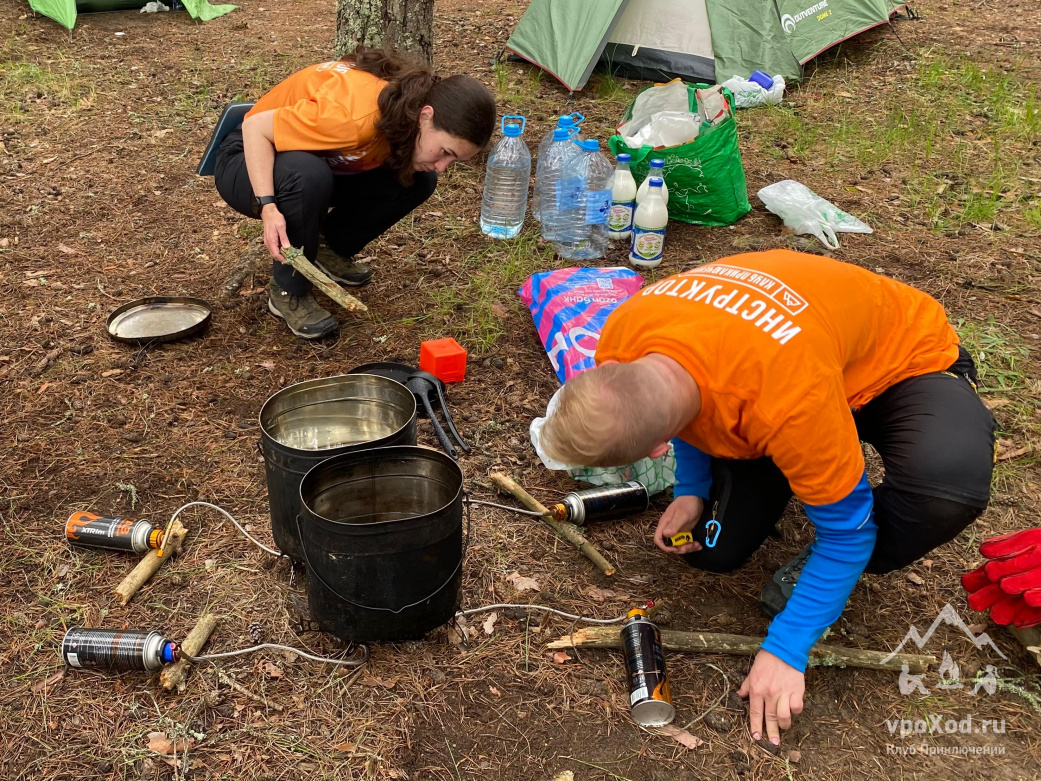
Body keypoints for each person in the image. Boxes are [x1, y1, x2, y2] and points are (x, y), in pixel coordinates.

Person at [540, 250, 995, 746]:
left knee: (944, 490)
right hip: (784, 366)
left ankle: (816, 572)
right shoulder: (624, 336)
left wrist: (786, 648)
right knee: (714, 553)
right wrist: (692, 489)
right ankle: (791, 470)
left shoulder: (788, 402)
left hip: (896, 361)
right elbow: (666, 396)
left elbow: (846, 535)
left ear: (655, 450)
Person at [214, 48, 496, 339]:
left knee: (417, 180)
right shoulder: (356, 119)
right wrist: (268, 206)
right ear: (426, 116)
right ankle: (288, 291)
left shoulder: (404, 114)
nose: (442, 167)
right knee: (308, 175)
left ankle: (326, 247)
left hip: (310, 164)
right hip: (246, 158)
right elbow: (254, 127)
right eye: (445, 153)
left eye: (453, 161)